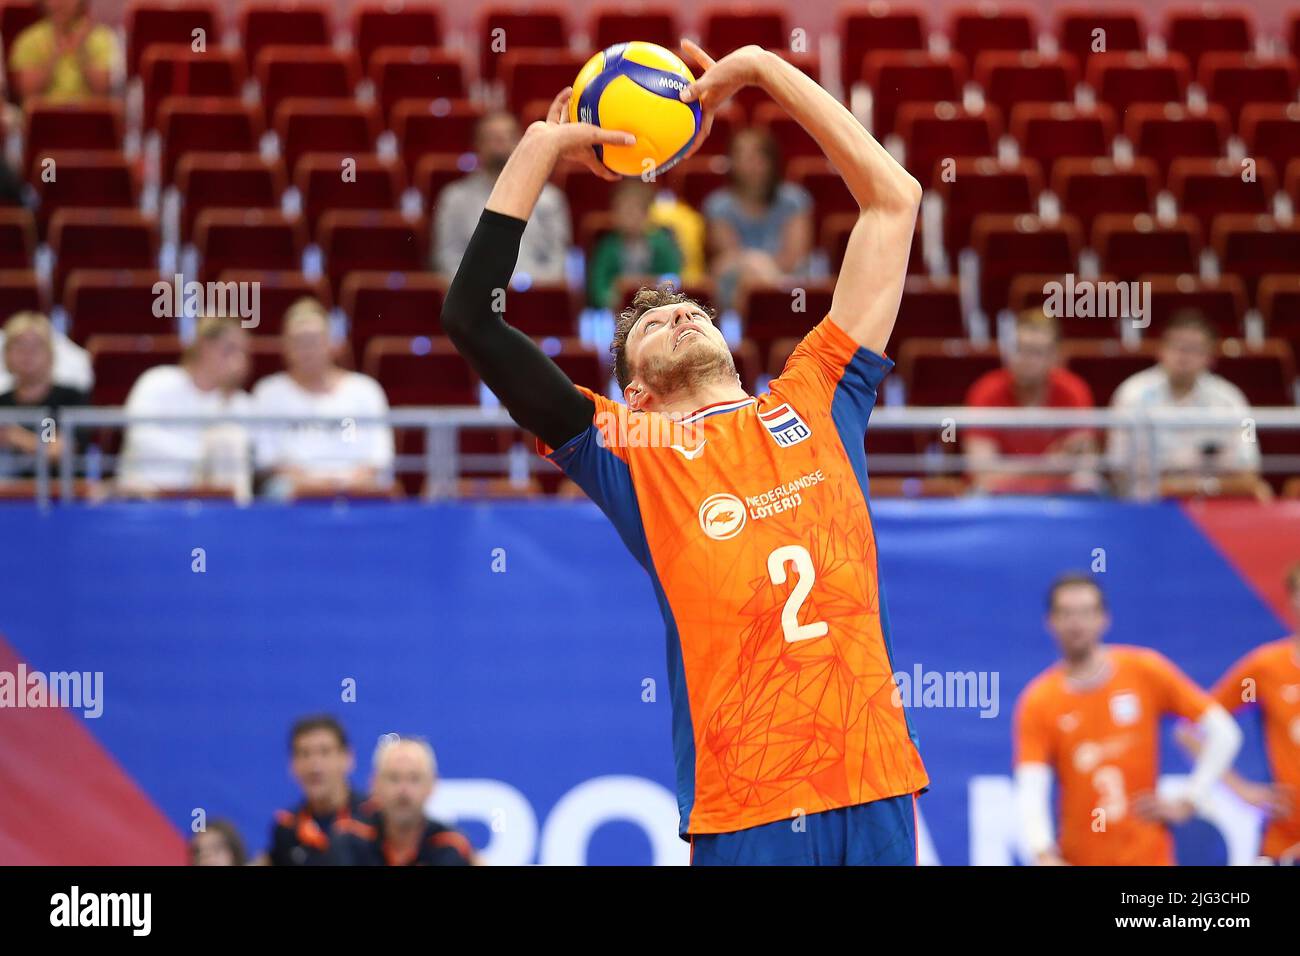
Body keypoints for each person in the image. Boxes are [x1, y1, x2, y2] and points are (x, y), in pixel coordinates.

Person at [442, 40, 929, 865]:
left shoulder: (815, 396)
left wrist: (765, 72)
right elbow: (473, 322)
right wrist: (537, 152)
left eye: (687, 305)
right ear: (634, 393)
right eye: (645, 325)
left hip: (875, 778)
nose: (675, 310)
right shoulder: (634, 447)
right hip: (747, 805)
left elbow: (894, 201)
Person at [1013, 573, 1242, 865]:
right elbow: (1032, 785)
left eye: (1086, 612)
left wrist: (1191, 799)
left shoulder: (1145, 671)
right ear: (1051, 622)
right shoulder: (1039, 700)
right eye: (1066, 613)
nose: (1076, 623)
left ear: (1104, 618)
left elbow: (1223, 732)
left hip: (1149, 858)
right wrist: (1042, 851)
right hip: (1080, 857)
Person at [1182, 561, 1300, 863]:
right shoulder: (1267, 667)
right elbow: (1189, 730)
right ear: (1291, 601)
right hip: (1283, 844)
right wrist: (1241, 789)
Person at [252, 298, 394, 498]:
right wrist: (316, 486)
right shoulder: (268, 393)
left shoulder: (365, 390)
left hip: (356, 487)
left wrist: (345, 485)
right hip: (295, 490)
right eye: (299, 341)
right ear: (285, 346)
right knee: (275, 490)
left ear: (332, 343)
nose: (307, 350)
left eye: (314, 340)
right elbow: (267, 460)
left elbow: (380, 458)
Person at [1109, 313, 1260, 497]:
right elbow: (1118, 467)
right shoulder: (1130, 395)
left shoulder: (1233, 400)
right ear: (1160, 350)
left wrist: (1195, 487)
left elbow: (1249, 466)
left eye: (1195, 349)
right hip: (1147, 505)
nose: (1184, 356)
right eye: (1177, 347)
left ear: (1210, 357)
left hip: (1212, 503)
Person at [963, 310, 1099, 494]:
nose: (1024, 360)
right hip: (1001, 499)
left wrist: (1011, 470)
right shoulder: (986, 391)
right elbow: (983, 476)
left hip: (1058, 497)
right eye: (1019, 349)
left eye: (1035, 352)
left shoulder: (1073, 390)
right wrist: (1047, 464)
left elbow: (1083, 468)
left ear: (1055, 357)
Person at [117, 315, 254, 498]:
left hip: (205, 505)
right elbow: (139, 435)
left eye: (242, 352)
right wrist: (202, 454)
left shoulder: (239, 403)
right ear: (205, 347)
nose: (237, 361)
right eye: (229, 349)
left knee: (230, 438)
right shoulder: (158, 381)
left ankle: (237, 520)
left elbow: (244, 462)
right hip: (147, 494)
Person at [433, 110, 570, 280]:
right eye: (491, 137)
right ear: (477, 144)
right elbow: (447, 258)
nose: (500, 143)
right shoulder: (454, 199)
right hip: (474, 299)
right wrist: (481, 289)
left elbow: (559, 260)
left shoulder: (550, 199)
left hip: (533, 298)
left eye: (508, 136)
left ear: (521, 143)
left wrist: (523, 289)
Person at [702, 126, 812, 309]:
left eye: (756, 156)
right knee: (741, 275)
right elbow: (728, 255)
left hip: (786, 287)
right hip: (736, 287)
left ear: (771, 160)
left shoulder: (794, 200)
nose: (749, 164)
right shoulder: (718, 204)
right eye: (741, 156)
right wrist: (754, 265)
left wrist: (759, 266)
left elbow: (794, 258)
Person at [329, 737, 476, 866]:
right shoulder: (350, 836)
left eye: (414, 778)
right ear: (374, 784)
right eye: (394, 778)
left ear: (432, 785)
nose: (403, 790)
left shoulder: (450, 844)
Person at [263, 715, 376, 866]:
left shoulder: (375, 817)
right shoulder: (286, 827)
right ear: (292, 765)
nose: (314, 766)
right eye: (305, 754)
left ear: (348, 758)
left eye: (324, 752)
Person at [0, 312, 88, 478]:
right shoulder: (2, 402)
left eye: (36, 346)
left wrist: (14, 436)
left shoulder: (71, 398)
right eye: (18, 345)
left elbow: (61, 451)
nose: (27, 354)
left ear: (50, 354)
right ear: (6, 354)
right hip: (9, 496)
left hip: (63, 495)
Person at [587, 179, 683, 310]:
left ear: (646, 214)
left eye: (633, 212)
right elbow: (598, 284)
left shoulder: (661, 243)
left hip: (656, 306)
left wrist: (658, 291)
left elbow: (673, 277)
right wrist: (610, 299)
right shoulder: (607, 246)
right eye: (623, 212)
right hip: (616, 309)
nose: (629, 218)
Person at [9, 0, 118, 105]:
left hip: (88, 116)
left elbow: (102, 92)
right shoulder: (29, 39)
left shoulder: (101, 37)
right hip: (45, 117)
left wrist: (83, 51)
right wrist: (54, 55)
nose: (60, 2)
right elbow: (27, 93)